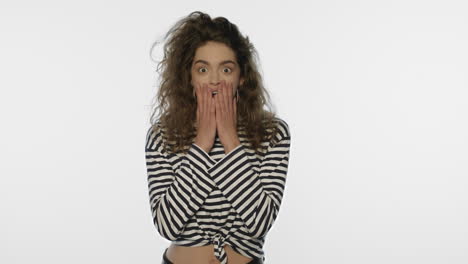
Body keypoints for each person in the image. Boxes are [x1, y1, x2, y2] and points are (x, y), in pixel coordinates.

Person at [145, 11, 291, 264]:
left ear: (241, 77)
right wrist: (202, 143)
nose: (214, 80)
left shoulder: (273, 134)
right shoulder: (162, 135)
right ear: (189, 77)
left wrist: (229, 139)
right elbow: (167, 225)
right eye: (202, 69)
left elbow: (260, 224)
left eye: (226, 69)